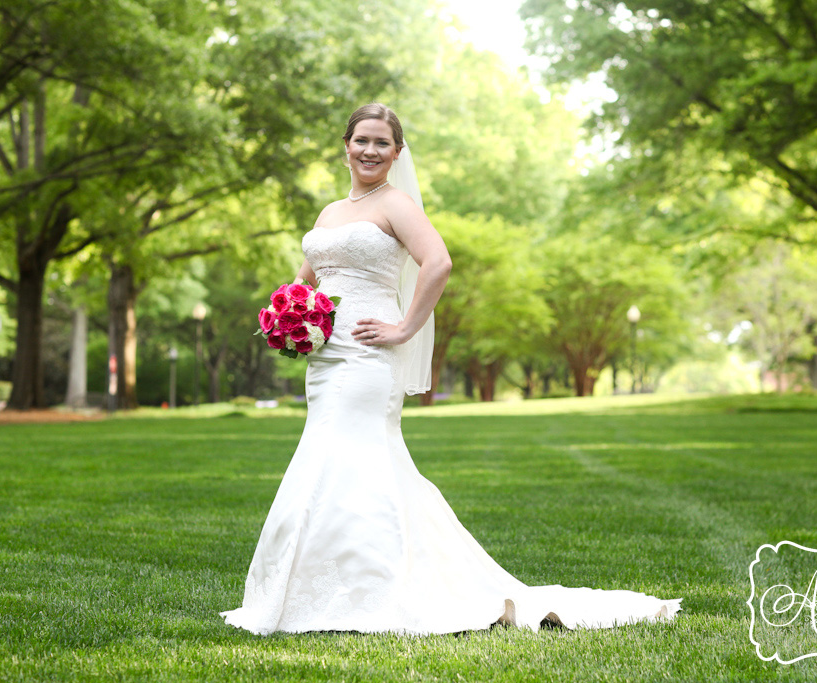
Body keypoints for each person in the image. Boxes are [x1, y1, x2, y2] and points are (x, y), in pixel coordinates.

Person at [220, 103, 682, 635]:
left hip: (371, 352)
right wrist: (288, 318)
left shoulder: (395, 204)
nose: (370, 151)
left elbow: (437, 262)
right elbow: (305, 282)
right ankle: (323, 587)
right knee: (330, 451)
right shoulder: (328, 213)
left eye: (382, 143)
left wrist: (405, 329)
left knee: (355, 451)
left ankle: (373, 591)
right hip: (327, 356)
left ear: (397, 152)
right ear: (345, 145)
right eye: (361, 140)